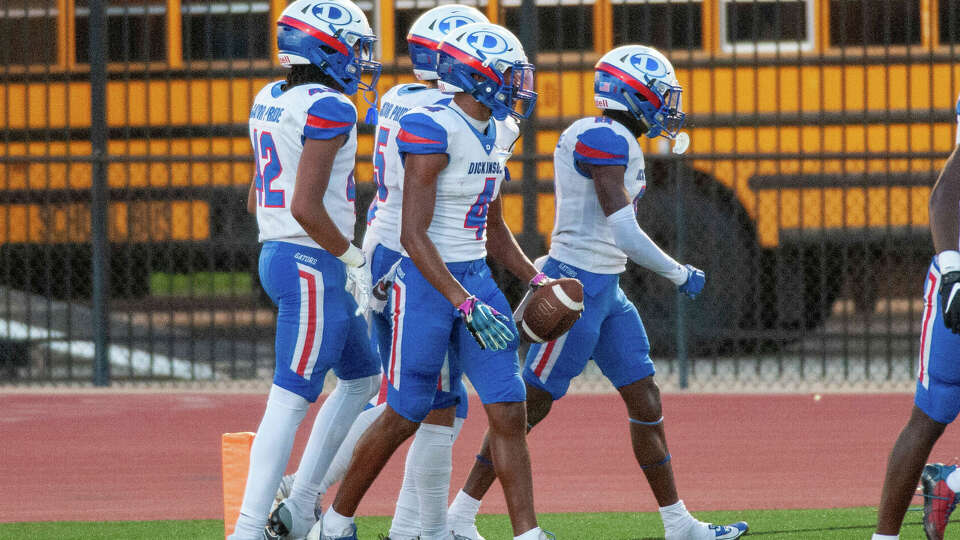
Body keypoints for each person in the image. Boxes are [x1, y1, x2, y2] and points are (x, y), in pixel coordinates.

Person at [444, 44, 749, 540]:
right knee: (527, 408)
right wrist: (678, 273)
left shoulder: (614, 138)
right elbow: (624, 230)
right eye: (659, 94)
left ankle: (678, 523)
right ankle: (460, 513)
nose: (666, 105)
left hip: (607, 289)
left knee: (645, 398)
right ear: (633, 93)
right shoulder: (603, 138)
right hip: (577, 287)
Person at [319, 22, 551, 540]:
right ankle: (335, 522)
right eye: (510, 73)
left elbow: (491, 226)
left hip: (474, 277)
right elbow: (413, 234)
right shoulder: (432, 128)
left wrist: (535, 277)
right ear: (476, 75)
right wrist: (463, 303)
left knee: (508, 410)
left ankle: (527, 534)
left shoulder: (501, 129)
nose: (520, 84)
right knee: (405, 412)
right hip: (424, 283)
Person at [274, 6, 491, 540]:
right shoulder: (438, 111)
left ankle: (328, 501)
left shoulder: (402, 97)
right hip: (413, 257)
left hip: (390, 248)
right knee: (420, 401)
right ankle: (319, 501)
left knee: (418, 399)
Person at [232, 1, 383, 538]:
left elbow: (256, 197)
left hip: (282, 254)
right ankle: (248, 528)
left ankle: (300, 503)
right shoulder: (331, 107)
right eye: (355, 46)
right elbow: (305, 206)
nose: (362, 59)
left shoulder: (270, 96)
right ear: (326, 47)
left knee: (364, 380)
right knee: (290, 398)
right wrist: (353, 258)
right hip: (310, 261)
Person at [874, 93, 960, 540]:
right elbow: (946, 191)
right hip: (958, 278)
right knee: (932, 411)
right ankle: (884, 537)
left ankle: (951, 484)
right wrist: (952, 270)